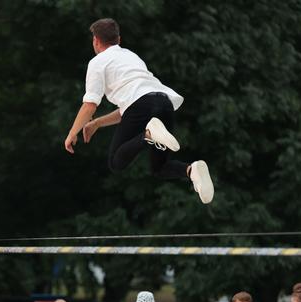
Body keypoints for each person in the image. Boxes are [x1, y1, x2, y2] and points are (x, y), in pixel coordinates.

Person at [64, 18, 214, 204]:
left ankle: (148, 135)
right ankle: (191, 170)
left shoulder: (98, 62)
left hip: (141, 107)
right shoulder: (131, 56)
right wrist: (97, 123)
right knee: (159, 168)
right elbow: (127, 110)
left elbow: (90, 105)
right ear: (119, 39)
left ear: (95, 40)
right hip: (163, 102)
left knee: (116, 162)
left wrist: (72, 133)